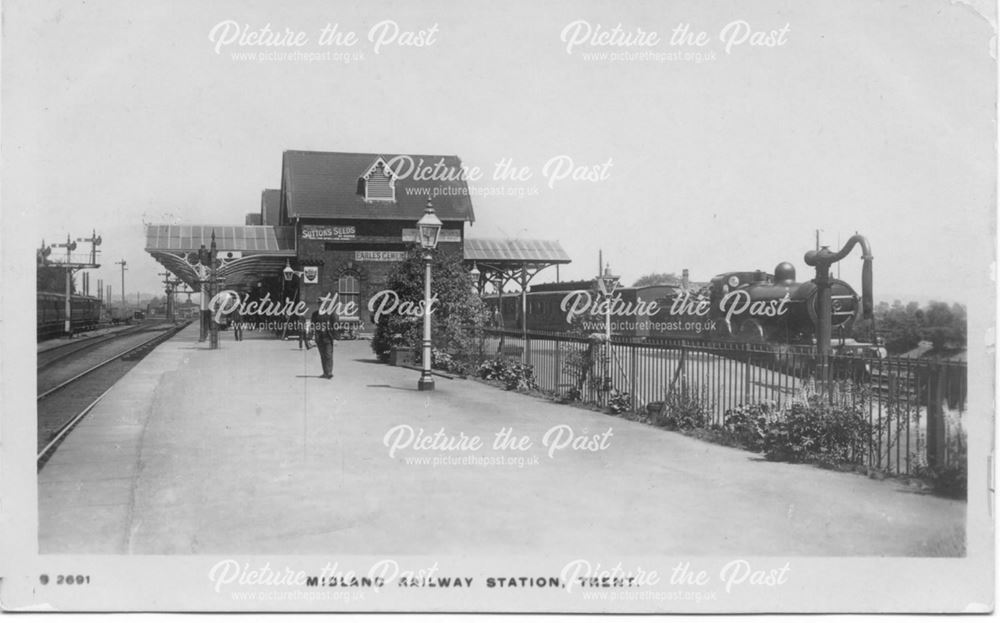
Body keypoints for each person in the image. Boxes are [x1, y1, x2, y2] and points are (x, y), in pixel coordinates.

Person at [309, 298, 338, 379]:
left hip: (328, 338)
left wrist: (335, 338)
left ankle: (329, 372)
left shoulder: (330, 314)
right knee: (323, 356)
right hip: (319, 338)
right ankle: (325, 372)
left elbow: (335, 326)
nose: (321, 305)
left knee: (328, 355)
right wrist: (310, 338)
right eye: (320, 303)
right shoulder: (315, 314)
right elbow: (312, 326)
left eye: (323, 303)